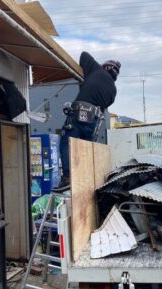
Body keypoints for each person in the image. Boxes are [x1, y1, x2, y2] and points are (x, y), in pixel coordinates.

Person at [52, 51, 121, 192]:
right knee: (84, 149)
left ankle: (67, 178)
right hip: (92, 122)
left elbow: (83, 55)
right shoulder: (113, 91)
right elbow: (103, 106)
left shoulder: (97, 70)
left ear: (106, 67)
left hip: (78, 113)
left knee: (66, 143)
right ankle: (82, 177)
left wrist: (89, 75)